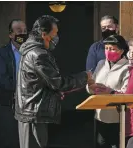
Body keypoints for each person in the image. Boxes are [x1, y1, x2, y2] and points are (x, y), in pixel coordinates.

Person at [14, 15, 98, 148]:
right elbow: (58, 83)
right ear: (44, 34)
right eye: (55, 33)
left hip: (30, 111)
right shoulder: (38, 54)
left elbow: (42, 83)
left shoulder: (31, 50)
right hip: (34, 113)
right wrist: (85, 76)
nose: (56, 37)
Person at [87, 34, 129, 148]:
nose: (108, 51)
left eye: (112, 49)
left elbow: (127, 92)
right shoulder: (101, 64)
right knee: (100, 144)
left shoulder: (127, 66)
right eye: (106, 48)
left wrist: (110, 91)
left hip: (117, 117)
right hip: (100, 114)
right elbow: (92, 85)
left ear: (121, 51)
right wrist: (90, 87)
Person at [0, 19, 28, 148]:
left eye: (25, 31)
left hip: (29, 104)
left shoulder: (31, 52)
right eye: (19, 31)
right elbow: (2, 78)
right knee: (10, 139)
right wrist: (21, 89)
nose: (23, 34)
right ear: (11, 34)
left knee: (26, 140)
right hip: (9, 103)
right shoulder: (2, 53)